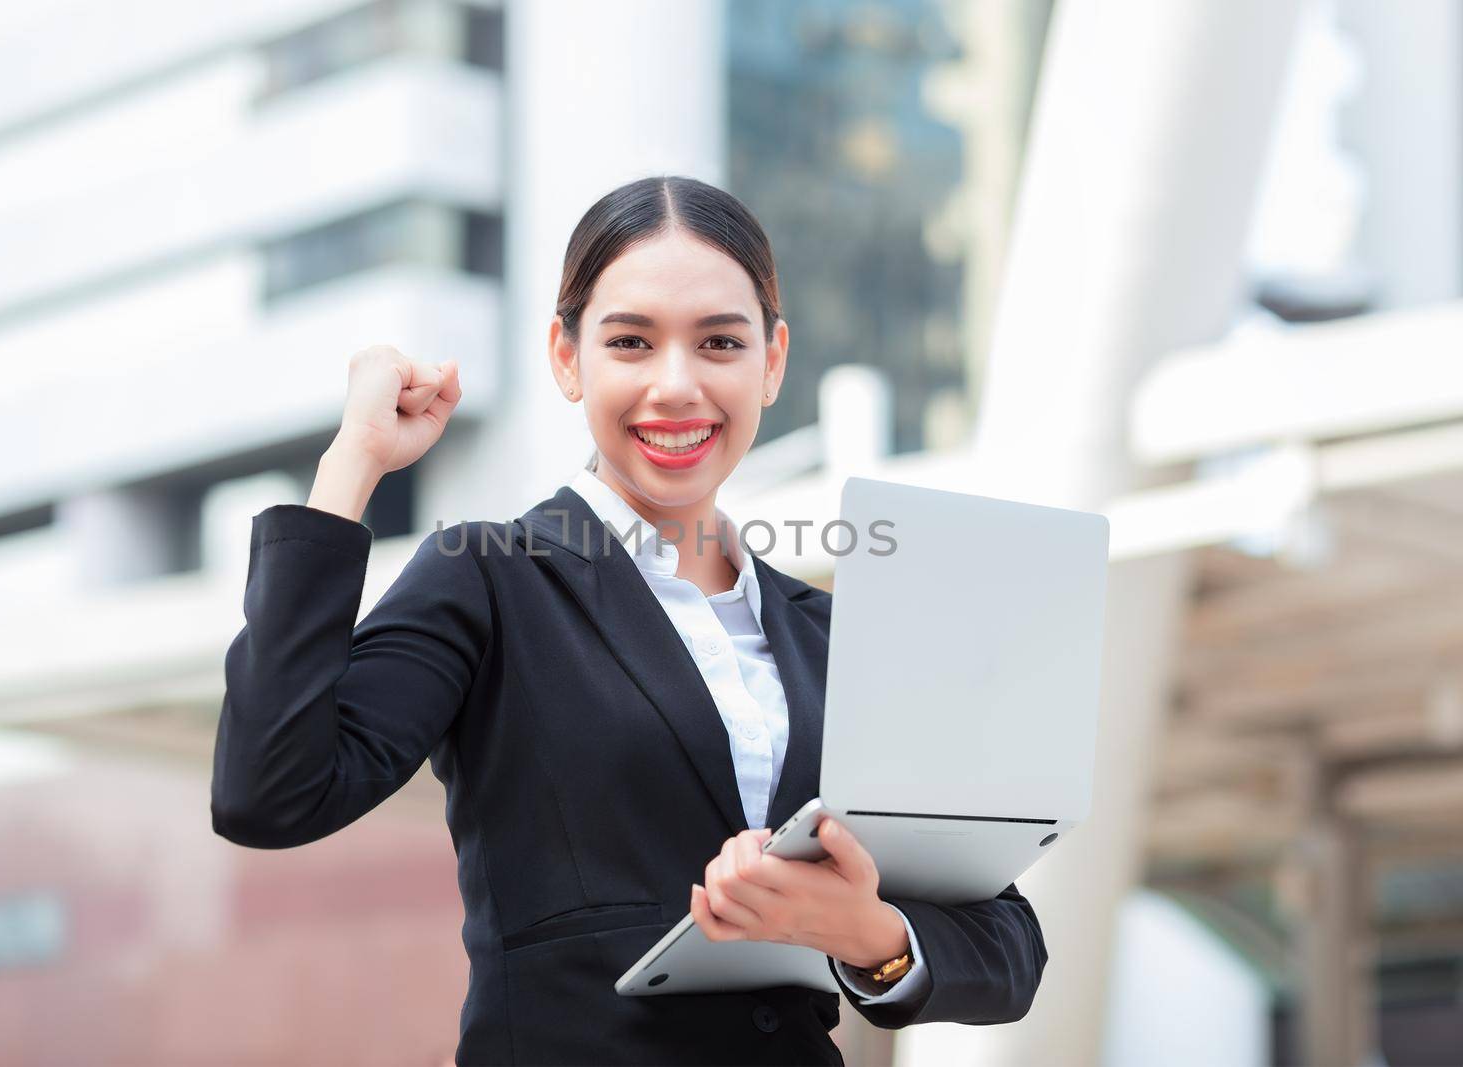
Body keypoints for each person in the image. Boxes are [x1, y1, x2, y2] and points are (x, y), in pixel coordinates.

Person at [211, 175, 1047, 1065]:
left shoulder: (834, 638)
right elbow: (270, 791)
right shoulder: (488, 576)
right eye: (631, 342)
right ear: (568, 359)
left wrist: (869, 931)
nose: (676, 385)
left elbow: (1007, 946)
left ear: (772, 361)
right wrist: (354, 463)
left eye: (721, 341)